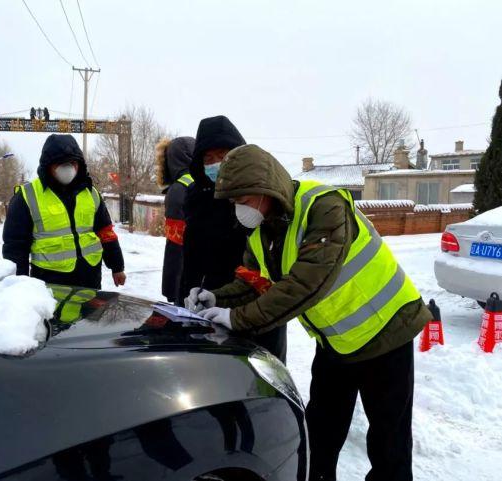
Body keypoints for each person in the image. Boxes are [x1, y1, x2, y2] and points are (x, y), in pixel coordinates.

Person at [186, 144, 432, 481]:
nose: (237, 209)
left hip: (386, 332)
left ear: (263, 188)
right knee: (320, 433)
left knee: (389, 442)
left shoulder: (323, 207)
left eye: (241, 200)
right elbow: (253, 280)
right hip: (336, 342)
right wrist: (216, 298)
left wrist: (237, 319)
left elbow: (305, 284)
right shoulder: (263, 229)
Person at [181, 115, 287, 362]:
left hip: (257, 300)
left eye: (223, 155)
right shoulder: (195, 196)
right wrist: (187, 293)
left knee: (262, 372)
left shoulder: (260, 192)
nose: (216, 164)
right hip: (209, 302)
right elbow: (191, 254)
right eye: (208, 159)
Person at [3, 134, 126, 289]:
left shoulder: (90, 193)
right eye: (61, 164)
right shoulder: (27, 196)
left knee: (90, 314)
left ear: (79, 164)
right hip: (50, 284)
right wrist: (19, 287)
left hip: (90, 279)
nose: (68, 169)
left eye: (72, 163)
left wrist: (117, 267)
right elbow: (15, 247)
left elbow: (106, 232)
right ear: (48, 165)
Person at [154, 136, 195, 303]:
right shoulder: (204, 181)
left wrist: (171, 287)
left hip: (185, 279)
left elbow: (175, 246)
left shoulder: (178, 189)